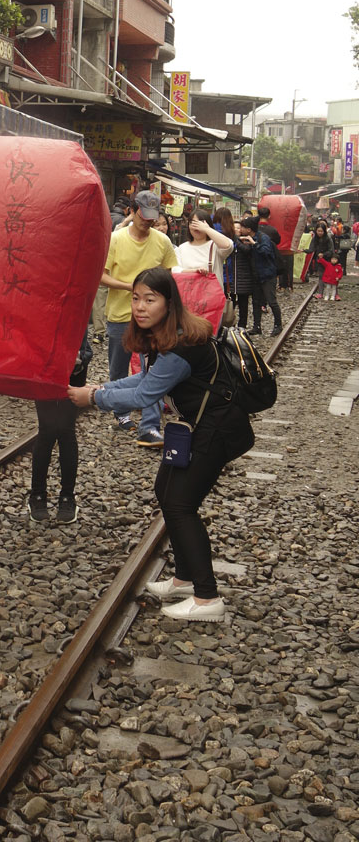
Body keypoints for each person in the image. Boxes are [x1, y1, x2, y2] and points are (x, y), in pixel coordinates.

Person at [68, 266, 254, 621]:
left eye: (150, 299)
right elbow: (144, 379)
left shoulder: (181, 345)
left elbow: (144, 393)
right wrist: (99, 390)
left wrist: (92, 397)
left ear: (169, 303)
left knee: (181, 504)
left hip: (217, 430)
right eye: (136, 298)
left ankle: (207, 599)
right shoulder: (170, 337)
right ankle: (184, 578)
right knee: (166, 490)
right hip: (200, 426)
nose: (140, 307)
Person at [100, 189, 176, 446]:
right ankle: (120, 412)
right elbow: (101, 275)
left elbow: (168, 278)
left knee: (151, 370)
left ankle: (149, 425)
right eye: (144, 217)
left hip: (154, 318)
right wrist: (132, 288)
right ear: (132, 212)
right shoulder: (115, 239)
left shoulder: (163, 242)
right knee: (118, 367)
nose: (149, 223)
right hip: (121, 314)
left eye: (153, 219)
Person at [29, 334, 91, 525]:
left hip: (74, 364)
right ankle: (37, 495)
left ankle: (67, 496)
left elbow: (83, 342)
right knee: (47, 429)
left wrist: (78, 357)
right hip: (43, 363)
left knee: (65, 430)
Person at [237, 216, 282, 336]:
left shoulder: (263, 238)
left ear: (249, 229)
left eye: (242, 227)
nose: (240, 229)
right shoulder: (248, 237)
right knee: (256, 302)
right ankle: (257, 326)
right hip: (256, 275)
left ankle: (278, 325)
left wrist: (254, 244)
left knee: (271, 301)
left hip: (267, 275)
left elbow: (266, 252)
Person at [173, 209, 234, 283]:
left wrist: (206, 229)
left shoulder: (215, 245)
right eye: (192, 222)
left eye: (200, 222)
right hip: (188, 292)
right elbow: (175, 270)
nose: (196, 226)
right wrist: (194, 271)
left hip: (210, 293)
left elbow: (228, 245)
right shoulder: (181, 248)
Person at [309, 222, 335, 298]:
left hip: (329, 260)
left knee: (331, 277)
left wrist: (324, 254)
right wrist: (303, 250)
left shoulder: (328, 238)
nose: (320, 233)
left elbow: (331, 250)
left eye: (321, 231)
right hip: (320, 261)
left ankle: (334, 293)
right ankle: (321, 293)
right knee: (321, 276)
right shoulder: (315, 238)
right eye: (318, 231)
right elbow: (312, 249)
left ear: (324, 231)